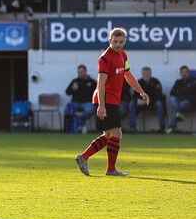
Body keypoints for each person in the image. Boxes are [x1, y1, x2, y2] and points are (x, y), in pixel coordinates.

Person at [75, 28, 150, 177]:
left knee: (109, 135)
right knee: (116, 133)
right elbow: (100, 84)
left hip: (112, 100)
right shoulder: (104, 58)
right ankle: (110, 169)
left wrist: (140, 91)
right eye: (115, 41)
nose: (118, 44)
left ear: (125, 42)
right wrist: (101, 105)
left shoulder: (123, 55)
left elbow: (128, 75)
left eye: (121, 42)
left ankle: (83, 157)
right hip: (105, 99)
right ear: (110, 40)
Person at [128, 67, 166, 132]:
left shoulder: (156, 82)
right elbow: (134, 95)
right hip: (141, 104)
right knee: (131, 104)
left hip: (153, 103)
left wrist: (147, 101)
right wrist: (138, 100)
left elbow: (159, 95)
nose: (146, 75)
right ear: (142, 74)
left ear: (150, 74)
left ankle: (162, 128)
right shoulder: (138, 83)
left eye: (147, 74)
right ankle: (132, 128)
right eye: (144, 74)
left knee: (159, 103)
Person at [65, 65, 96, 134]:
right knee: (66, 110)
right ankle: (77, 127)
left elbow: (97, 92)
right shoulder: (75, 81)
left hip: (87, 103)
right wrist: (72, 89)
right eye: (78, 72)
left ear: (85, 72)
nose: (79, 74)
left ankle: (79, 123)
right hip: (75, 103)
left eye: (81, 72)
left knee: (89, 110)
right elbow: (67, 92)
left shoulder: (91, 81)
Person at [168, 65, 196, 133]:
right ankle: (178, 115)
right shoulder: (178, 81)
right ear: (180, 74)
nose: (184, 74)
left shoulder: (194, 81)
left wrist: (180, 91)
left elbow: (192, 91)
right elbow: (172, 92)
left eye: (186, 72)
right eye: (183, 72)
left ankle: (171, 128)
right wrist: (182, 93)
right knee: (172, 99)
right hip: (179, 100)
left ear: (189, 73)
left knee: (175, 107)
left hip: (189, 102)